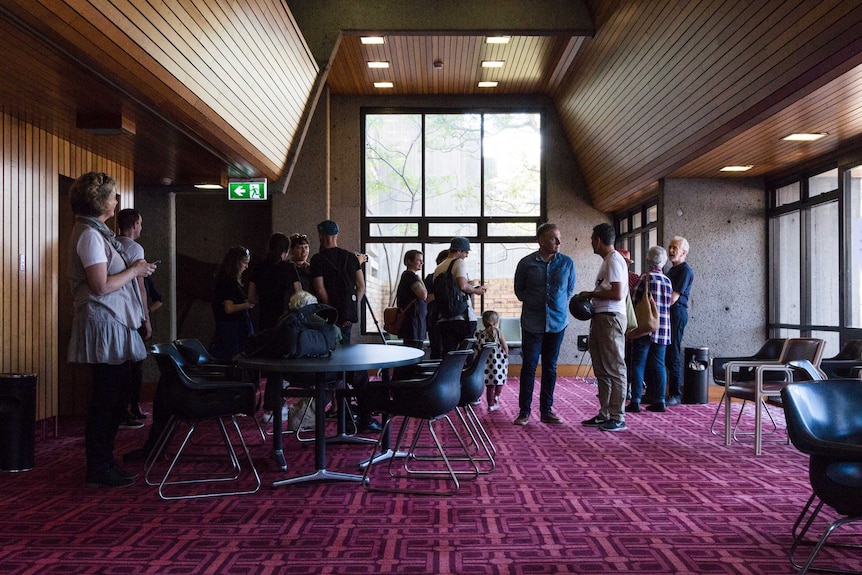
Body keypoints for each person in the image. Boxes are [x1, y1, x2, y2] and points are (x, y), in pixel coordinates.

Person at [66, 171, 156, 487]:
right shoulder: (90, 235)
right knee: (105, 399)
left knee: (113, 398)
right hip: (102, 323)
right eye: (114, 196)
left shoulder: (97, 232)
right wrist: (135, 270)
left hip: (112, 322)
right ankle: (98, 465)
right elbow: (101, 286)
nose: (117, 201)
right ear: (102, 201)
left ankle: (105, 461)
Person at [310, 219, 380, 433]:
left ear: (321, 235)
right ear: (337, 234)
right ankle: (356, 413)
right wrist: (350, 309)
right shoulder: (351, 257)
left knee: (334, 363)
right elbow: (361, 287)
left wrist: (332, 312)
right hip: (347, 320)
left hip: (328, 321)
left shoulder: (318, 259)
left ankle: (343, 411)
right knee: (348, 360)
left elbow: (320, 290)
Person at [512, 223, 576, 425]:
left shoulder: (567, 262)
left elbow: (570, 290)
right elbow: (519, 290)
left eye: (559, 238)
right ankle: (524, 411)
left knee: (550, 367)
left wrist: (555, 304)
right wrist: (535, 302)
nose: (558, 242)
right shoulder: (526, 263)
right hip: (532, 322)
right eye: (553, 238)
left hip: (557, 322)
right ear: (541, 240)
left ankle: (546, 410)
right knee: (529, 366)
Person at [580, 223, 629, 432]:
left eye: (592, 239)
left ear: (599, 240)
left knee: (615, 368)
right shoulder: (608, 261)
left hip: (611, 318)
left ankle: (618, 416)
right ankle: (605, 413)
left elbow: (617, 294)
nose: (591, 243)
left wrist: (590, 294)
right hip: (601, 318)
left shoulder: (615, 260)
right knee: (601, 368)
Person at [247, 233, 294, 422]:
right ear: (286, 251)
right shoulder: (289, 269)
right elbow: (299, 295)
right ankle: (274, 406)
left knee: (271, 365)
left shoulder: (258, 268)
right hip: (284, 321)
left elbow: (251, 299)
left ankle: (271, 406)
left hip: (264, 322)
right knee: (281, 365)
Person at [625, 246, 673, 413]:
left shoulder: (644, 279)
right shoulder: (667, 281)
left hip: (644, 327)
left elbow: (632, 300)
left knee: (638, 363)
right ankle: (660, 400)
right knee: (659, 364)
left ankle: (636, 400)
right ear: (663, 262)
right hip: (663, 327)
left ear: (647, 260)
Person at [115, 208, 150, 429]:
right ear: (135, 224)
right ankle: (129, 408)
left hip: (117, 311)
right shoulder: (135, 248)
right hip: (132, 312)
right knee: (134, 365)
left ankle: (123, 409)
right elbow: (140, 286)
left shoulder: (113, 244)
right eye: (140, 223)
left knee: (120, 366)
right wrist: (146, 317)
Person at [433, 237, 487, 355]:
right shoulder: (459, 262)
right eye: (465, 252)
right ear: (458, 251)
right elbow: (463, 286)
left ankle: (451, 374)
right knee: (466, 355)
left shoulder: (438, 268)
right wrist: (476, 291)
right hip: (462, 317)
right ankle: (464, 374)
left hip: (444, 318)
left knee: (449, 355)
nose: (466, 255)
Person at [210, 246, 254, 361]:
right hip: (232, 328)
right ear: (236, 262)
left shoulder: (226, 279)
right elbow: (228, 308)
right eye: (244, 262)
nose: (246, 266)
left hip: (231, 327)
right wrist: (248, 304)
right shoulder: (228, 281)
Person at [665, 236, 694, 406]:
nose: (671, 250)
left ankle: (676, 394)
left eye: (675, 248)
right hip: (670, 313)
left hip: (676, 313)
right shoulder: (672, 270)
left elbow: (672, 298)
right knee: (668, 352)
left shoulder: (685, 271)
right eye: (670, 247)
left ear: (684, 252)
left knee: (674, 352)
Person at [475, 310, 509, 411]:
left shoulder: (479, 334)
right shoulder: (498, 332)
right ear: (495, 322)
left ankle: (490, 405)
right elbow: (505, 346)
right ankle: (496, 396)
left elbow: (476, 348)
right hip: (498, 362)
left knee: (490, 385)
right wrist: (506, 356)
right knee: (500, 380)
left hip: (485, 363)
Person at [395, 249, 428, 349]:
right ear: (409, 261)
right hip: (413, 323)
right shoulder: (410, 276)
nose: (422, 263)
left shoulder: (409, 276)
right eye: (419, 260)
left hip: (415, 322)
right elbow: (423, 295)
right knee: (414, 351)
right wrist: (420, 280)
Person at [425, 249, 449, 360]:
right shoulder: (431, 278)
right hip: (435, 319)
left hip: (450, 320)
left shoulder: (456, 277)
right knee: (437, 349)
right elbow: (426, 298)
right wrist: (442, 294)